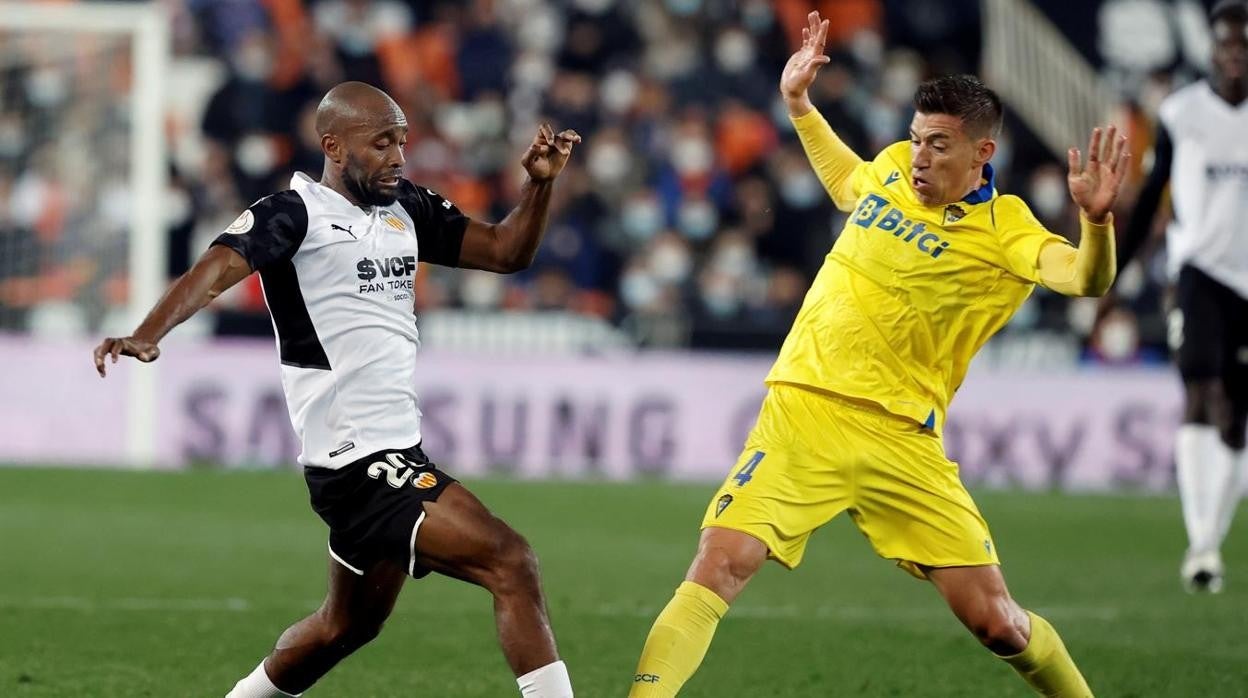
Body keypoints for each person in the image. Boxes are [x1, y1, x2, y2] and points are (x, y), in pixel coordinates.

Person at [628, 12, 1128, 697]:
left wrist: (1096, 222)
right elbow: (848, 182)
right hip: (804, 410)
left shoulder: (1008, 229)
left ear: (982, 154)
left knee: (997, 624)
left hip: (903, 437)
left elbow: (1085, 279)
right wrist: (800, 105)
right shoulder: (892, 169)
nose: (920, 156)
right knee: (720, 562)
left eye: (940, 146)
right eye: (917, 138)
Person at [92, 81, 580, 698]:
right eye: (381, 143)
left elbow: (507, 252)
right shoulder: (294, 215)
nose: (398, 156)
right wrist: (146, 332)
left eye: (402, 142)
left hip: (391, 453)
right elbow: (217, 268)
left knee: (342, 628)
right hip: (359, 459)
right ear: (334, 146)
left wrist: (539, 185)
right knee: (512, 561)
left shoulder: (408, 210)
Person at [1114, 0, 1248, 594]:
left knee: (1235, 412)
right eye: (1226, 44)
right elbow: (1150, 198)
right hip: (1200, 271)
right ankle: (1200, 543)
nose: (1234, 55)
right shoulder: (1181, 112)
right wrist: (1113, 269)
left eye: (1243, 45)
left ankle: (1210, 540)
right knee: (1199, 385)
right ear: (1212, 48)